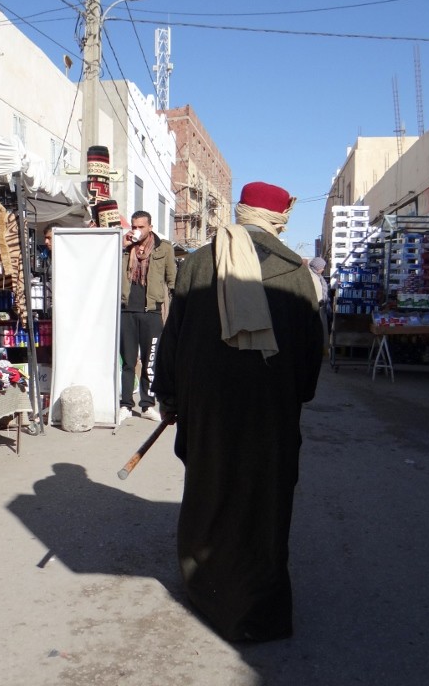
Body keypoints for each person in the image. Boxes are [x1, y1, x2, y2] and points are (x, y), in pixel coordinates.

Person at [152, 181, 324, 642]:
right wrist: (294, 395)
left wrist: (169, 398)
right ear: (278, 219)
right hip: (270, 413)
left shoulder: (200, 263)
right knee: (263, 502)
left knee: (211, 491)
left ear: (241, 212)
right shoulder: (297, 273)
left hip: (208, 410)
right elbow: (312, 354)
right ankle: (259, 610)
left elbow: (174, 339)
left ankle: (207, 589)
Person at [119, 210, 176, 423]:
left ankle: (147, 404)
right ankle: (125, 404)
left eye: (141, 226)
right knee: (128, 361)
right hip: (127, 311)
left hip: (151, 312)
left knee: (150, 362)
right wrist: (122, 247)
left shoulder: (164, 249)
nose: (137, 230)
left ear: (150, 227)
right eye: (134, 226)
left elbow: (172, 279)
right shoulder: (125, 248)